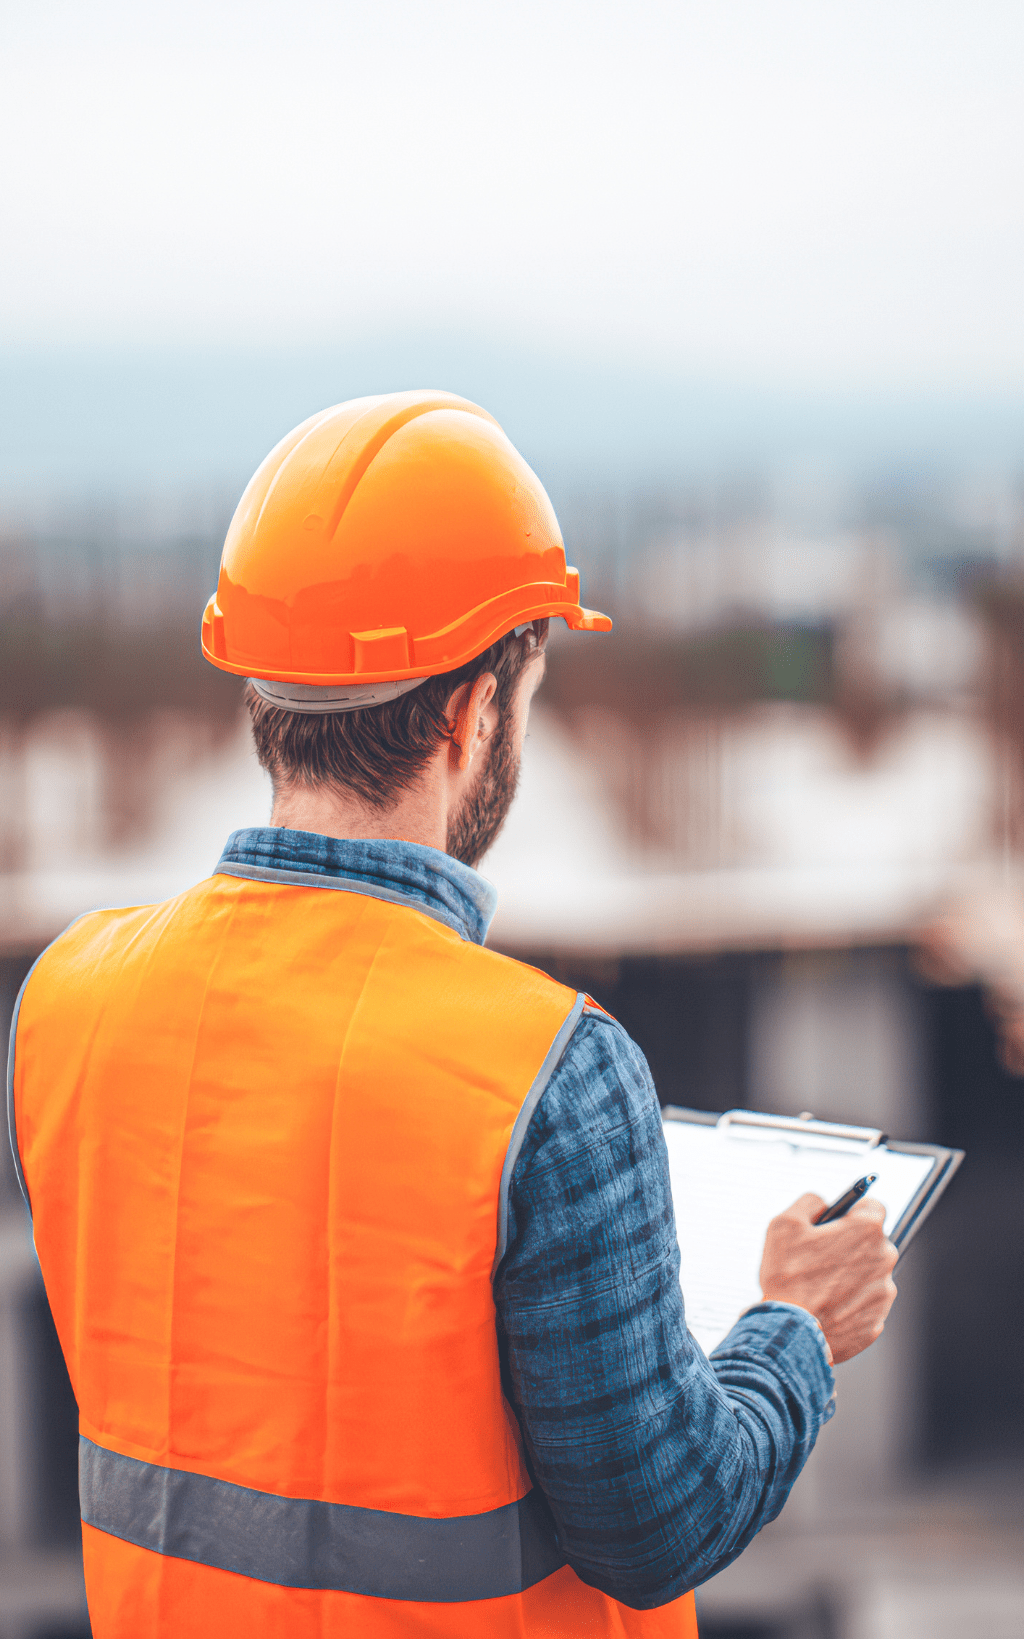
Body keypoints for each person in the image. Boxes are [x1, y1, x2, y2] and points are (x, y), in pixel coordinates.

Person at [9, 392, 898, 1637]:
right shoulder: (550, 1071)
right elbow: (659, 1523)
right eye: (524, 695)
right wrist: (794, 1325)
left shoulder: (69, 997)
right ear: (473, 714)